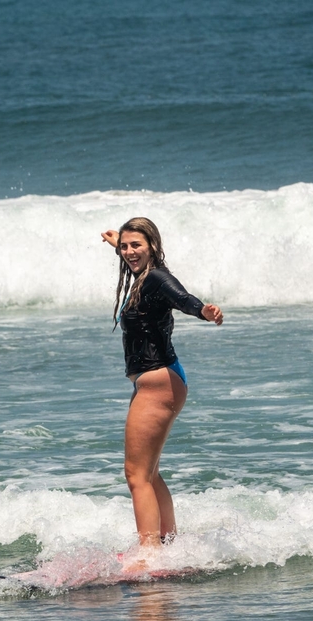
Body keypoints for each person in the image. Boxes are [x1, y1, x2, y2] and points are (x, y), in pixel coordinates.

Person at [101, 218, 223, 549]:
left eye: (135, 245)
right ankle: (168, 540)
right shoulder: (143, 272)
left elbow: (181, 298)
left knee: (135, 474)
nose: (128, 252)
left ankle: (149, 550)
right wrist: (117, 242)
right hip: (158, 381)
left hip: (159, 384)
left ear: (153, 245)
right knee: (149, 472)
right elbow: (131, 255)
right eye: (124, 247)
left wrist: (203, 312)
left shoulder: (156, 278)